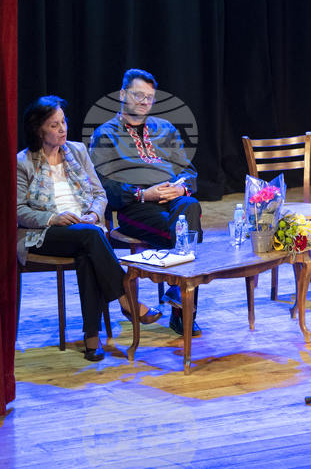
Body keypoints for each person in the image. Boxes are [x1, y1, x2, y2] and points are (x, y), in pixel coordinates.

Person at [17, 96, 162, 362]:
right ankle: (126, 298)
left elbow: (99, 193)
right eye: (54, 125)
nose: (62, 129)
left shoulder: (78, 151)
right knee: (92, 235)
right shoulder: (23, 162)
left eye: (63, 122)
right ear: (38, 130)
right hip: (44, 233)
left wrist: (94, 214)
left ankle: (91, 337)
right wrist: (53, 218)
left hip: (83, 229)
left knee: (87, 252)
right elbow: (18, 210)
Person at [89, 69, 203, 336]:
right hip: (136, 208)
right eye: (138, 95)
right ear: (122, 94)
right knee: (185, 234)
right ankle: (182, 306)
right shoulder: (105, 134)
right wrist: (142, 194)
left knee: (190, 206)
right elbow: (102, 186)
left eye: (149, 98)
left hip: (172, 202)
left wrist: (181, 187)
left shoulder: (166, 128)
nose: (144, 102)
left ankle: (178, 292)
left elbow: (189, 172)